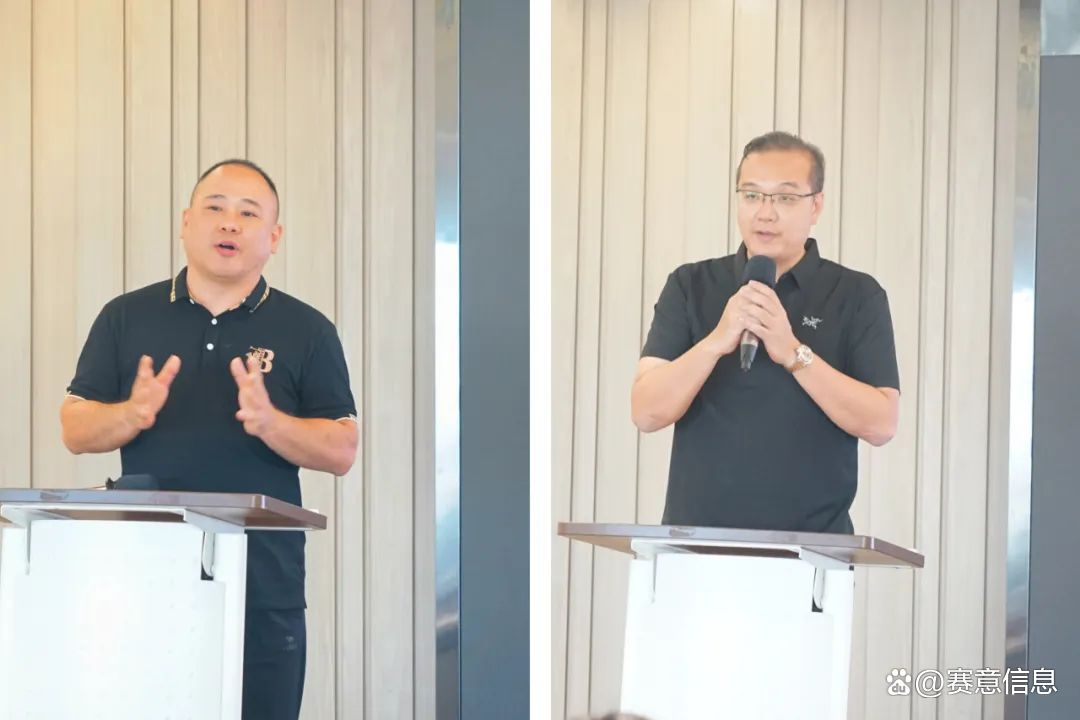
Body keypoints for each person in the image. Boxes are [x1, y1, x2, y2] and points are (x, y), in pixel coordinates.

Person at [59, 159, 358, 720]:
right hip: (146, 575)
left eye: (248, 213)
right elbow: (74, 428)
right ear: (186, 222)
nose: (229, 223)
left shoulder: (308, 329)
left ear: (273, 237)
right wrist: (131, 414)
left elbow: (342, 450)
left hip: (263, 581)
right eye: (215, 208)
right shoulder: (125, 317)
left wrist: (271, 422)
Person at [632, 131, 900, 534]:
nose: (765, 213)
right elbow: (646, 412)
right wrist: (715, 342)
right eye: (752, 195)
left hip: (813, 549)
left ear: (816, 205)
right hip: (695, 545)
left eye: (785, 198)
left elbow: (881, 424)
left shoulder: (857, 294)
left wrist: (793, 352)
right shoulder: (691, 284)